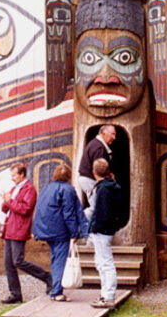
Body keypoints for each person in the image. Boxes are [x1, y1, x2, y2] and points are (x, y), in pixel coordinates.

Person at [32, 164, 87, 302]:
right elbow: (69, 214)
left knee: (55, 258)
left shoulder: (46, 189)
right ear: (68, 176)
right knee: (60, 261)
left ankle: (55, 288)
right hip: (60, 231)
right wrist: (75, 233)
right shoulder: (67, 190)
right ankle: (56, 292)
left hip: (45, 228)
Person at [0, 162, 51, 304]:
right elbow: (5, 209)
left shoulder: (30, 190)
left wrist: (10, 201)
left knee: (18, 261)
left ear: (22, 175)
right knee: (8, 264)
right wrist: (5, 200)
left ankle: (46, 277)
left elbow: (25, 209)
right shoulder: (14, 188)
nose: (12, 178)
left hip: (19, 228)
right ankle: (15, 294)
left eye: (14, 175)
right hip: (10, 228)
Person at [88, 158, 127, 309]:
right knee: (101, 262)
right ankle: (105, 293)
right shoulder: (112, 186)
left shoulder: (104, 189)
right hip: (107, 228)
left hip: (102, 229)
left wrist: (96, 227)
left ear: (93, 172)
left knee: (105, 263)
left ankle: (108, 296)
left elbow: (102, 212)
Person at [77, 124, 116, 217]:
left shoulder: (95, 143)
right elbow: (99, 169)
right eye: (112, 134)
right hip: (90, 180)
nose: (114, 138)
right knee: (96, 208)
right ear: (103, 134)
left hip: (86, 178)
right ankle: (78, 223)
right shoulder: (99, 148)